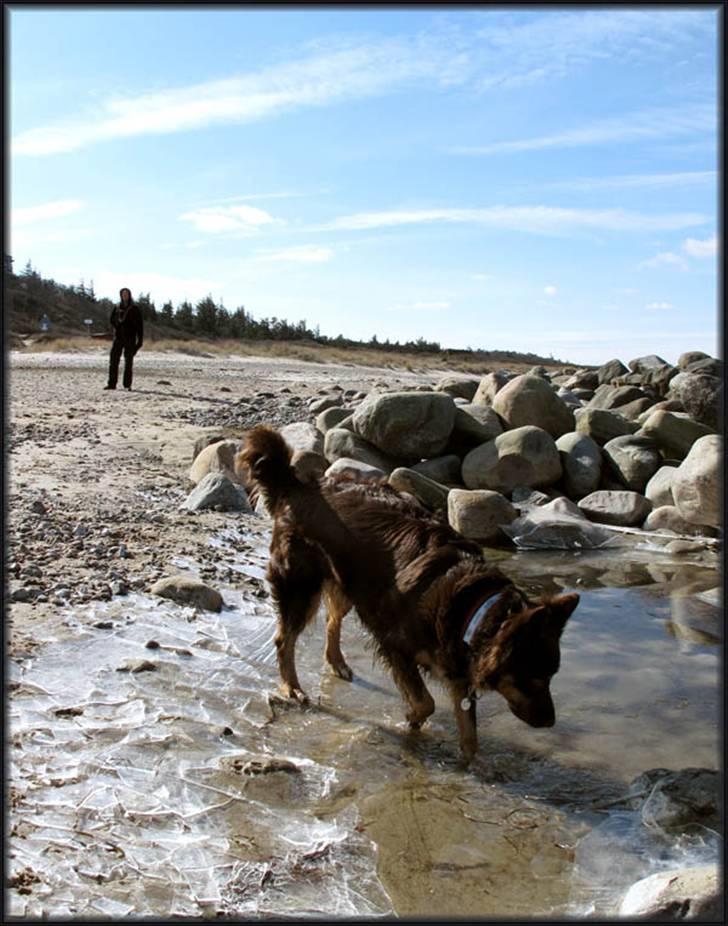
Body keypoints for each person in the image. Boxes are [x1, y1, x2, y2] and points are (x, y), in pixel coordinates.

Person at [104, 287, 144, 390]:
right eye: (123, 294)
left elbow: (140, 326)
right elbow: (111, 320)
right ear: (121, 295)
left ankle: (127, 385)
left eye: (126, 294)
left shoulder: (134, 308)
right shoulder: (117, 307)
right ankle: (112, 384)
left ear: (129, 295)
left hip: (130, 338)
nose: (124, 295)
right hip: (118, 337)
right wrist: (117, 326)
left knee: (128, 362)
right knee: (113, 361)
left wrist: (139, 341)